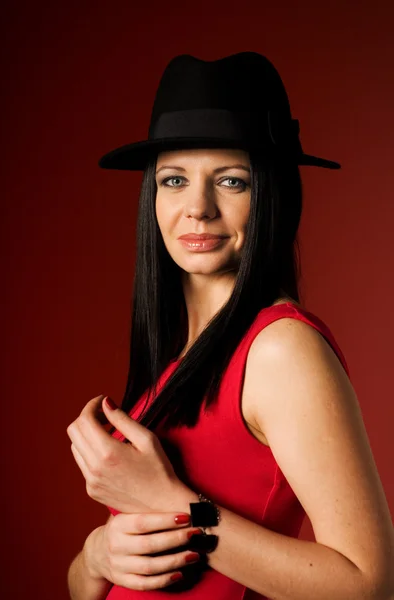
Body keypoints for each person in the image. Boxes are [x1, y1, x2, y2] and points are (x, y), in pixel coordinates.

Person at [66, 52, 394, 600]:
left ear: (271, 197)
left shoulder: (280, 349)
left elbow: (369, 584)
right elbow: (84, 586)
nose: (198, 208)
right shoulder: (175, 359)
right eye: (174, 180)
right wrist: (97, 554)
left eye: (232, 182)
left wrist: (173, 504)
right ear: (153, 196)